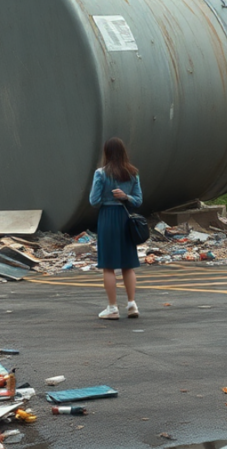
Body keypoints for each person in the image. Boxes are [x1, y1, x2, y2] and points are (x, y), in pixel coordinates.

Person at [89, 137, 144, 320]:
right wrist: (126, 196)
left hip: (108, 218)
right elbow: (139, 200)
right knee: (128, 265)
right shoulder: (132, 173)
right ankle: (131, 304)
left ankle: (112, 308)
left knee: (108, 266)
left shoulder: (101, 173)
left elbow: (94, 201)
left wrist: (108, 197)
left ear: (106, 152)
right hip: (125, 219)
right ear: (123, 152)